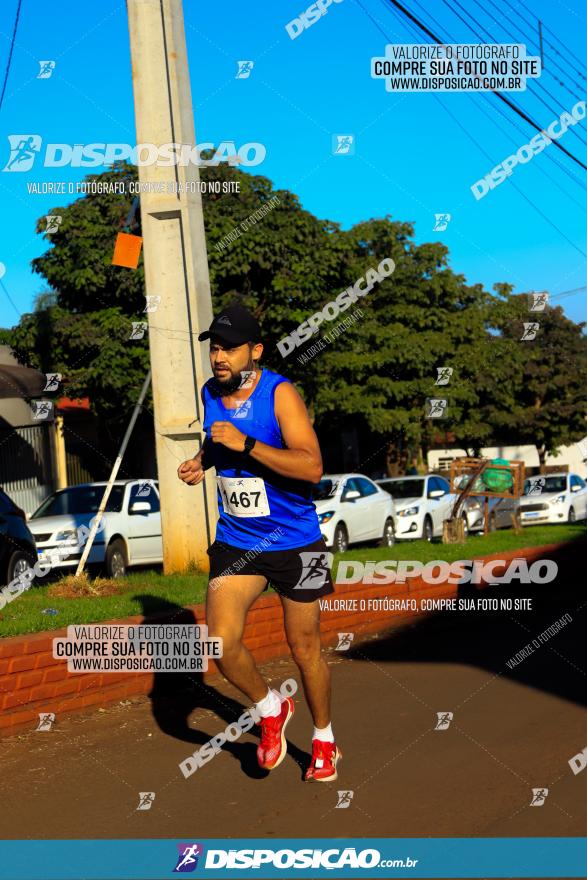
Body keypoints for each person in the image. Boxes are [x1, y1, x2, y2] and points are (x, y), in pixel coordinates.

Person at [177, 304, 341, 782]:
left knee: (304, 647)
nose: (219, 357)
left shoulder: (280, 394)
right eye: (214, 347)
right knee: (221, 643)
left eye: (229, 348)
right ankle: (270, 707)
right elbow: (218, 441)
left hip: (299, 542)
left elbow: (311, 468)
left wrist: (246, 444)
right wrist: (201, 460)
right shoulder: (210, 393)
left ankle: (325, 740)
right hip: (237, 539)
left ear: (256, 351)